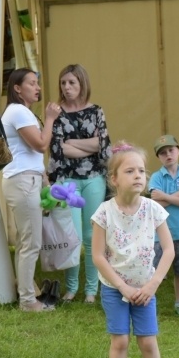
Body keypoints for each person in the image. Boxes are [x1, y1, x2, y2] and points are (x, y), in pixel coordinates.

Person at [90, 141, 173, 358]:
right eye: (130, 171)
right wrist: (122, 285)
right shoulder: (104, 213)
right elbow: (99, 256)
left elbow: (170, 250)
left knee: (148, 341)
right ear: (113, 179)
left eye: (141, 170)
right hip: (115, 289)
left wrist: (152, 285)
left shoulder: (153, 209)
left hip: (146, 289)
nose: (138, 175)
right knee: (121, 341)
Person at [47, 64, 111, 304]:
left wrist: (74, 142)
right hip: (67, 181)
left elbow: (102, 145)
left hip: (94, 178)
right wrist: (88, 144)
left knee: (91, 235)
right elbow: (58, 149)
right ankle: (72, 288)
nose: (67, 87)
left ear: (82, 84)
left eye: (72, 82)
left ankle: (92, 290)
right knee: (70, 235)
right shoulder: (57, 113)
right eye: (63, 83)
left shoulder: (96, 111)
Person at [1, 68, 60, 312]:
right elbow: (41, 144)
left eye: (38, 83)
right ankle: (27, 301)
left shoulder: (22, 112)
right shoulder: (18, 111)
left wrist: (45, 181)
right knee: (30, 243)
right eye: (32, 83)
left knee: (28, 241)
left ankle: (27, 293)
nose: (37, 88)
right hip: (22, 181)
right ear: (17, 88)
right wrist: (49, 118)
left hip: (29, 179)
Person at [148, 134, 179, 315]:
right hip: (161, 234)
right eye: (163, 153)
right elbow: (155, 204)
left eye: (171, 150)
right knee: (153, 271)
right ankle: (148, 301)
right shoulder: (156, 177)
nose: (168, 155)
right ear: (158, 157)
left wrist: (166, 197)